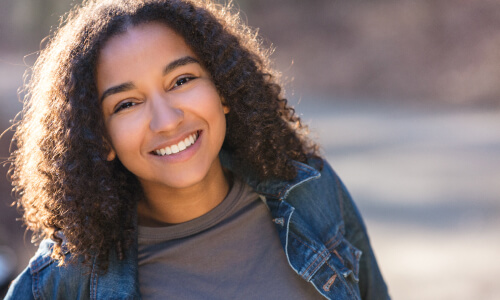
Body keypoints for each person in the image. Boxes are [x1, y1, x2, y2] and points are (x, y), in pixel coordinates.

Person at [5, 0, 389, 299]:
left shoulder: (309, 192)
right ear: (100, 139)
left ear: (223, 90)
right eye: (126, 104)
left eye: (181, 80)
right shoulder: (66, 277)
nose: (167, 120)